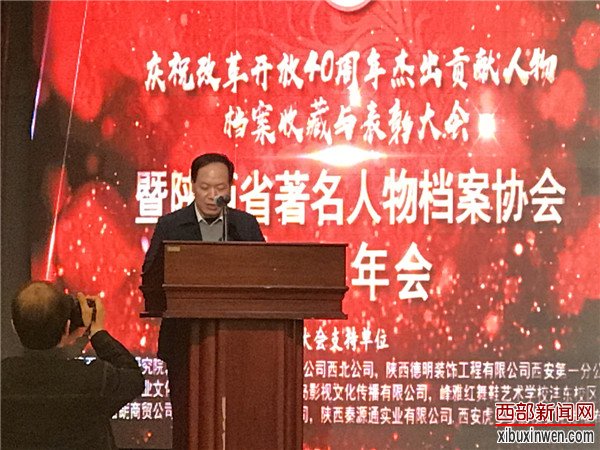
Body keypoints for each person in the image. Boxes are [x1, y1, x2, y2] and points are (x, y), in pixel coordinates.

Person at [141, 152, 265, 448]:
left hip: (237, 341)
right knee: (188, 420)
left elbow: (263, 273)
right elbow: (150, 277)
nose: (212, 196)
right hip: (184, 340)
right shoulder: (171, 225)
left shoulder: (244, 226)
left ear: (230, 188)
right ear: (192, 186)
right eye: (205, 188)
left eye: (220, 188)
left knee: (238, 420)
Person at [2, 281, 144, 449]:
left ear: (14, 327)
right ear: (67, 327)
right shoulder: (94, 379)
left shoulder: (4, 377)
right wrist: (97, 333)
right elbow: (133, 378)